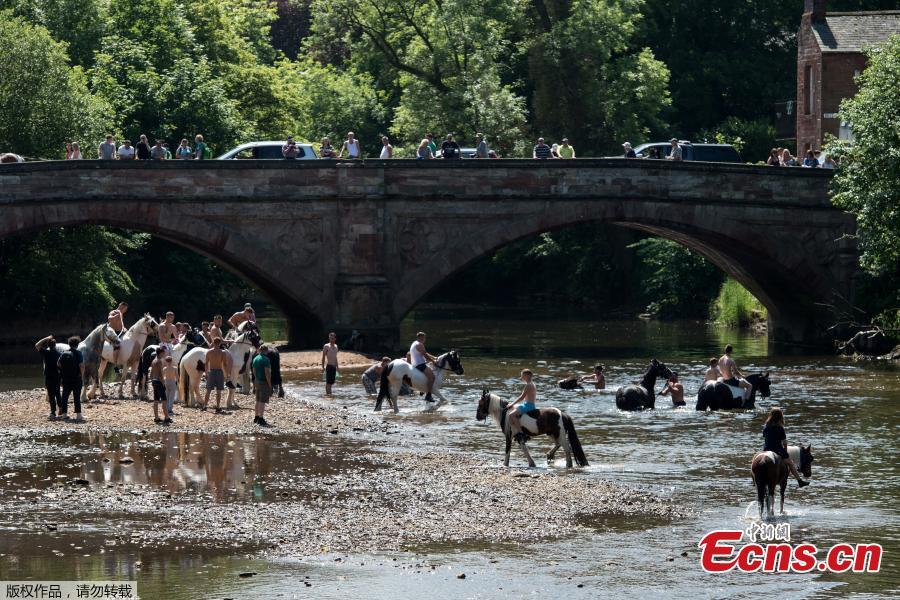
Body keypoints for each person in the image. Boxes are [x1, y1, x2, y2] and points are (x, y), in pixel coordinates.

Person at [763, 407, 809, 487]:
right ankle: (800, 481)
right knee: (790, 463)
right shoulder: (780, 428)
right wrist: (785, 451)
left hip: (766, 449)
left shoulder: (766, 426)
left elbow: (765, 437)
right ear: (780, 417)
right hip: (777, 450)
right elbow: (784, 443)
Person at [57, 336, 84, 423]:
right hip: (76, 378)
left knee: (65, 396)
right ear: (77, 345)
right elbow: (81, 366)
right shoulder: (79, 353)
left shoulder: (64, 353)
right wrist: (81, 374)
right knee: (76, 396)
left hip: (66, 379)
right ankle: (78, 415)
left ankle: (64, 414)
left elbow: (58, 364)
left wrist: (64, 371)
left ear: (69, 344)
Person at [34, 335, 62, 420]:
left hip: (49, 376)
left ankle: (53, 413)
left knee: (51, 395)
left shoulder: (46, 353)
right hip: (57, 376)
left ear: (48, 346)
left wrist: (46, 338)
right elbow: (61, 366)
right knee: (57, 393)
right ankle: (61, 408)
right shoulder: (59, 354)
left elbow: (37, 345)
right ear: (55, 345)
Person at [507, 368, 537, 443]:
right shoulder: (532, 383)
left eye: (522, 376)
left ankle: (521, 433)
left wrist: (512, 403)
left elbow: (521, 397)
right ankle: (515, 428)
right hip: (528, 404)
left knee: (511, 415)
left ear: (527, 376)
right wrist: (513, 405)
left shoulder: (528, 385)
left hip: (528, 406)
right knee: (513, 407)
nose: (521, 378)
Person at [409, 331, 437, 403]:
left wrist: (434, 357)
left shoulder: (414, 343)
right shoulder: (420, 344)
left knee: (430, 369)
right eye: (424, 338)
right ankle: (428, 395)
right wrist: (434, 361)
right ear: (421, 337)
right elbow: (425, 355)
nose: (424, 339)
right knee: (432, 377)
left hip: (415, 364)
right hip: (419, 365)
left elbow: (424, 353)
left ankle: (423, 390)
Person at [204, 337, 227, 412]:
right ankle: (218, 406)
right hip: (219, 371)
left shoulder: (209, 352)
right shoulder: (222, 352)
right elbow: (225, 364)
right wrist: (227, 374)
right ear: (220, 343)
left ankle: (205, 405)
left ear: (213, 343)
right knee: (219, 391)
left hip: (211, 371)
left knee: (208, 390)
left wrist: (206, 372)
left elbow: (206, 363)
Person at [252, 344, 273, 426]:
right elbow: (267, 373)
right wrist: (270, 384)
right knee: (262, 401)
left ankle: (256, 417)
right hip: (264, 381)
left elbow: (253, 371)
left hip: (257, 381)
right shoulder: (266, 360)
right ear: (266, 351)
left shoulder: (255, 358)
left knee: (257, 400)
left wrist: (256, 378)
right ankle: (261, 418)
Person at [150, 347, 170, 424]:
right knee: (164, 400)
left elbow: (151, 373)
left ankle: (156, 418)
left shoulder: (153, 361)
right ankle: (167, 417)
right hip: (159, 381)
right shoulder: (159, 361)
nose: (164, 354)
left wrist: (152, 381)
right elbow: (161, 374)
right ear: (160, 353)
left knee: (156, 400)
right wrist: (163, 383)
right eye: (163, 353)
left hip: (154, 381)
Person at [108, 302, 128, 368]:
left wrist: (124, 328)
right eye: (125, 309)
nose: (125, 311)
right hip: (113, 332)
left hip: (120, 331)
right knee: (117, 344)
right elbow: (109, 319)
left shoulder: (121, 314)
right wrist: (117, 315)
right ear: (122, 306)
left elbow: (121, 322)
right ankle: (115, 364)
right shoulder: (113, 312)